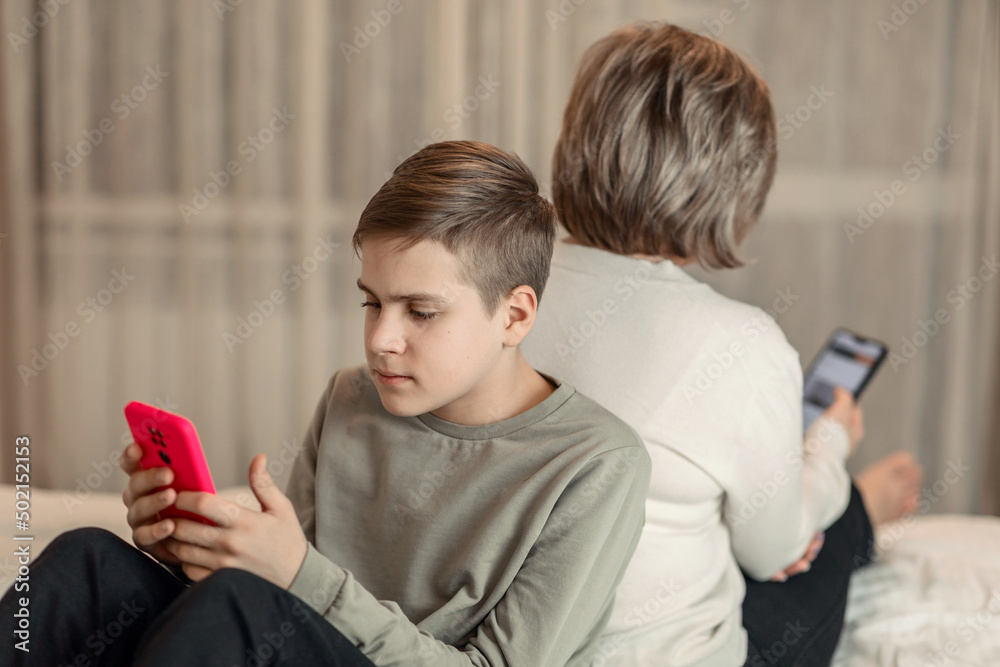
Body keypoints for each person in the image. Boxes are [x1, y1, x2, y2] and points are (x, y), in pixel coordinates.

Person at [0, 140, 652, 666]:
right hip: (289, 637)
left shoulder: (597, 463)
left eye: (420, 311)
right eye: (372, 302)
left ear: (514, 314)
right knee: (90, 559)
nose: (380, 339)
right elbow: (284, 596)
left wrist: (294, 573)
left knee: (237, 607)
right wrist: (197, 547)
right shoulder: (351, 398)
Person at [522, 23, 922, 667]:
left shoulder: (502, 292)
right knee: (820, 528)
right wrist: (832, 443)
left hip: (524, 640)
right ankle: (858, 510)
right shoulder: (745, 346)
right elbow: (774, 552)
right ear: (732, 182)